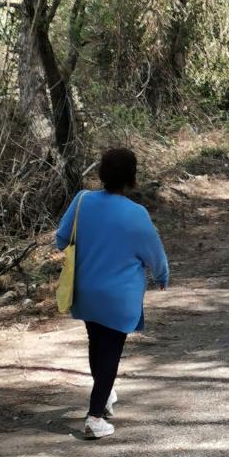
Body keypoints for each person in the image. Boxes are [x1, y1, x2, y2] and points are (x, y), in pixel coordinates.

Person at [56, 148, 169, 439]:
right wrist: (162, 276)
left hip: (85, 291)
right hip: (119, 298)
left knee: (97, 343)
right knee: (111, 352)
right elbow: (154, 255)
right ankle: (95, 418)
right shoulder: (136, 213)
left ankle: (103, 397)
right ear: (132, 177)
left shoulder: (82, 201)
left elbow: (61, 239)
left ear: (102, 173)